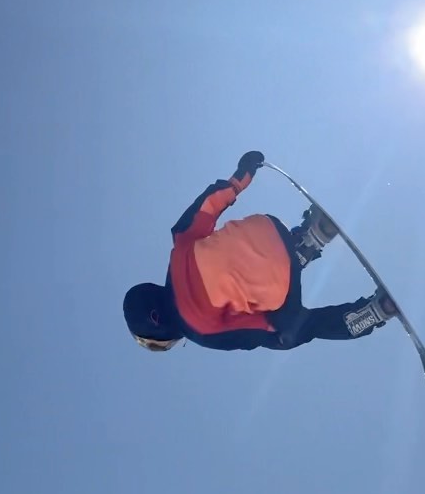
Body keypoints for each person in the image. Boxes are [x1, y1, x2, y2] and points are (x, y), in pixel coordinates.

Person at [123, 151, 396, 354]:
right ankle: (308, 238)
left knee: (286, 333)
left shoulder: (201, 331)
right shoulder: (179, 247)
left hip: (278, 281)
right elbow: (208, 205)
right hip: (269, 229)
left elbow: (255, 330)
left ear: (159, 325)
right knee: (258, 274)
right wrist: (242, 176)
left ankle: (373, 313)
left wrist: (285, 331)